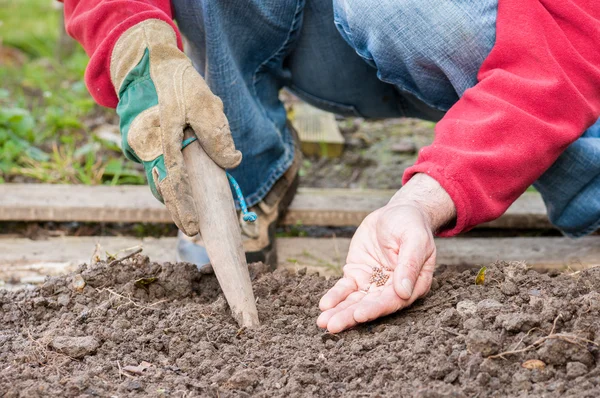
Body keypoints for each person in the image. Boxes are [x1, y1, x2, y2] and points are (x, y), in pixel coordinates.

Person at [63, 0, 600, 333]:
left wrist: (424, 199)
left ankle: (586, 183)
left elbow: (567, 46)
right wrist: (137, 42)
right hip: (321, 41)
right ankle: (249, 184)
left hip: (488, 38)